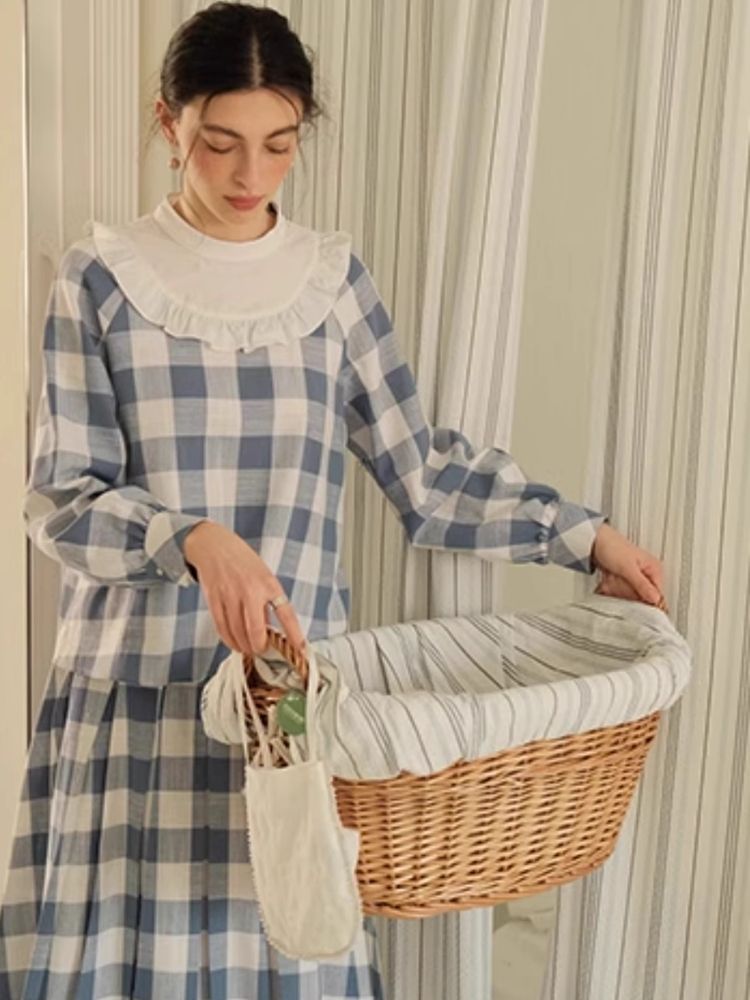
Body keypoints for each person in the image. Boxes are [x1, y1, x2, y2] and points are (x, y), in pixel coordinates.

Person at [0, 3, 666, 997]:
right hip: (138, 703)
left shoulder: (330, 285)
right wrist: (194, 538)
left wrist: (584, 536)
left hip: (287, 711)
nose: (250, 175)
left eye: (278, 144)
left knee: (292, 946)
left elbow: (423, 475)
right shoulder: (100, 279)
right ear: (168, 122)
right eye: (220, 142)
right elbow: (64, 499)